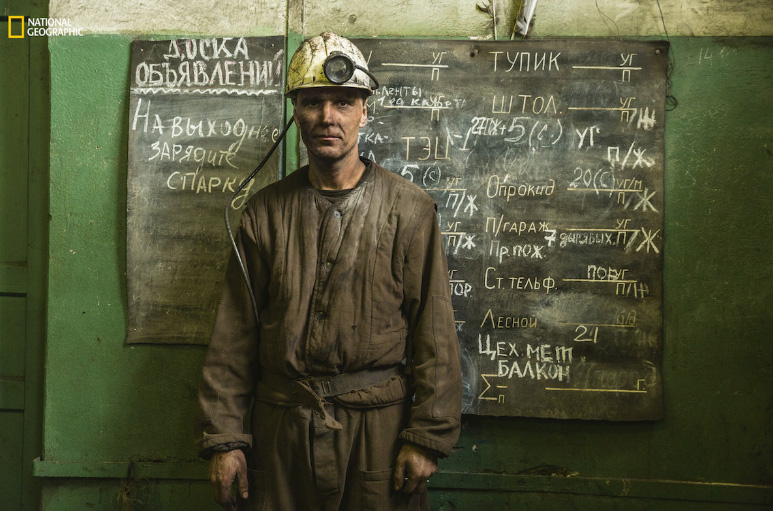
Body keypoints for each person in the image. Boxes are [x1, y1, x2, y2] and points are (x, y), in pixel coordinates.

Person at [195, 32, 462, 511]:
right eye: (312, 102)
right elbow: (233, 337)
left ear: (365, 110)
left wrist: (427, 437)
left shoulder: (409, 210)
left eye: (343, 101)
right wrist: (225, 439)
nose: (327, 117)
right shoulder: (264, 213)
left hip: (376, 432)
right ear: (295, 112)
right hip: (282, 431)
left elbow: (435, 333)